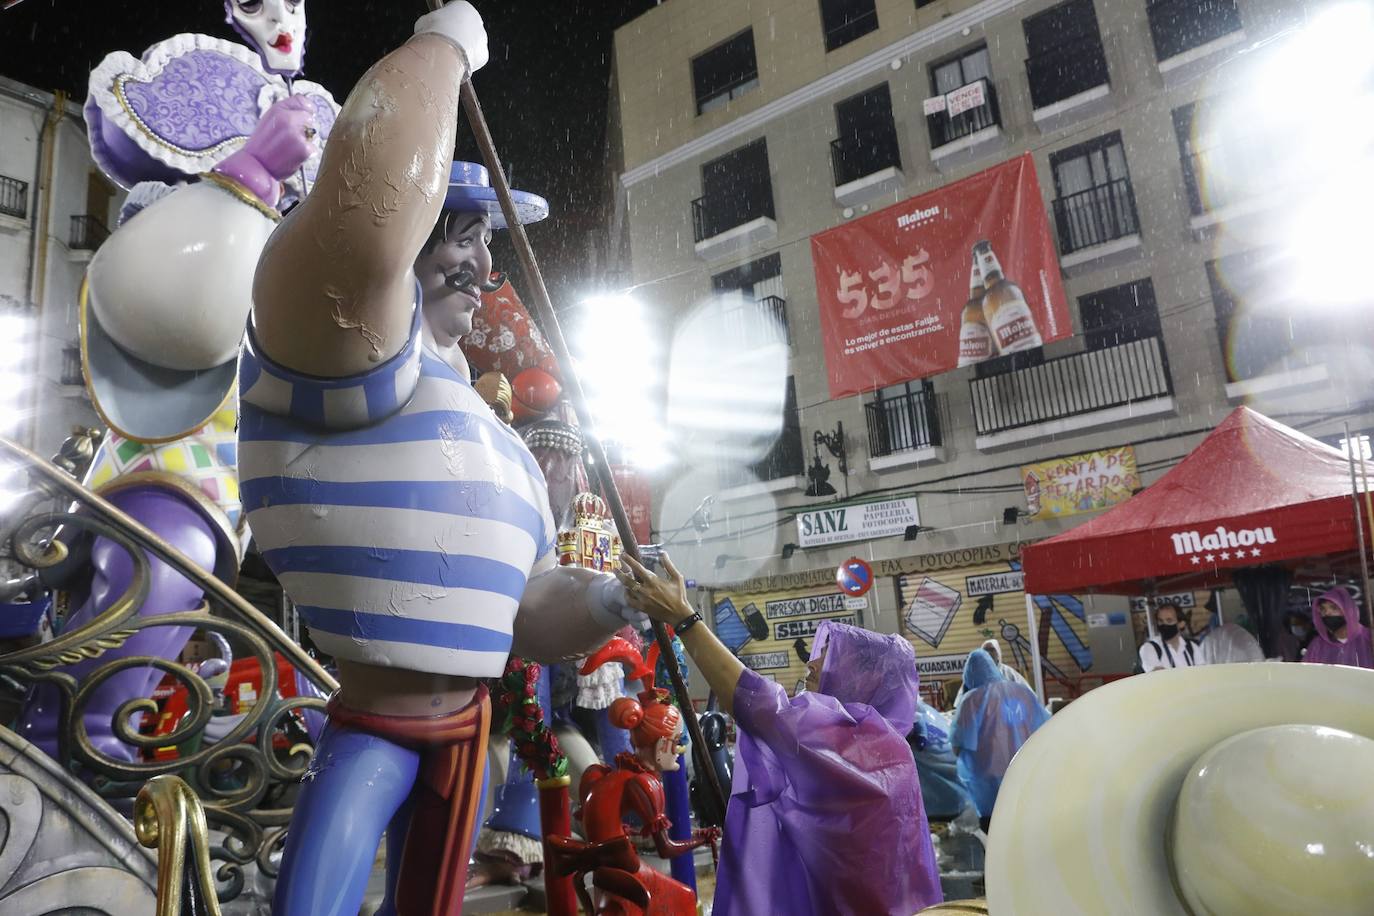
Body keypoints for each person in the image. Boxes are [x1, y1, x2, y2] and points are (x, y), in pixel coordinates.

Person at [238, 6, 643, 913]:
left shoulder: (485, 425)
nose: (484, 268)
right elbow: (368, 219)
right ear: (421, 247)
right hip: (374, 716)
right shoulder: (348, 358)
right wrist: (446, 48)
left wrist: (612, 597)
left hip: (467, 722)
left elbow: (528, 612)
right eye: (464, 239)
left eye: (488, 245)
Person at [618, 553, 943, 915]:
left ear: (859, 679)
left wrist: (685, 617)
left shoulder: (857, 744)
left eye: (829, 658)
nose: (813, 663)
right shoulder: (889, 750)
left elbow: (758, 704)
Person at [949, 648, 1050, 834]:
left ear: (969, 674)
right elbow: (1045, 726)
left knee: (997, 829)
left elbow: (959, 742)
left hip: (988, 780)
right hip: (1025, 770)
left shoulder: (971, 700)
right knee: (1025, 821)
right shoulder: (1023, 693)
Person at [1302, 587, 1374, 669]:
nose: (1327, 613)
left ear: (1348, 610)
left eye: (1334, 608)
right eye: (1322, 609)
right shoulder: (1317, 645)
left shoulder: (1369, 638)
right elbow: (1307, 675)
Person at [953, 637, 1031, 708]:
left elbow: (1028, 694)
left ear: (998, 653)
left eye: (992, 649)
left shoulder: (1008, 672)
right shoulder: (975, 673)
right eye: (986, 650)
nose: (989, 653)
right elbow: (960, 701)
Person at [1137, 602, 1203, 672]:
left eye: (1169, 620)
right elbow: (1158, 676)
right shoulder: (1149, 648)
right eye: (1160, 621)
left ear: (1181, 624)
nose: (1164, 624)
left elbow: (1202, 673)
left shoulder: (1192, 647)